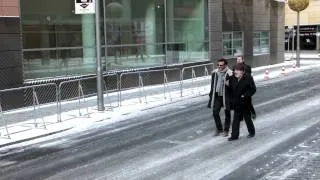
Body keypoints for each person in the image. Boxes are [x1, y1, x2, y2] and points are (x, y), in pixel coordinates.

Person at [228, 63, 256, 141]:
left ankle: (252, 132)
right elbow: (230, 88)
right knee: (236, 119)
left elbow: (253, 89)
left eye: (237, 70)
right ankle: (234, 136)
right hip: (236, 102)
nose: (235, 72)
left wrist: (245, 95)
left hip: (244, 102)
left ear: (243, 71)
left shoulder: (248, 78)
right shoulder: (232, 78)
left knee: (247, 118)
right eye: (235, 70)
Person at [208, 58, 233, 137]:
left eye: (221, 65)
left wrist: (229, 85)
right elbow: (212, 86)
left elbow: (234, 87)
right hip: (217, 96)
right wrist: (211, 95)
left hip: (227, 96)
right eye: (218, 65)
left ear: (225, 65)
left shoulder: (230, 73)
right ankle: (219, 129)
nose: (219, 66)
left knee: (227, 113)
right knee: (215, 112)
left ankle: (226, 130)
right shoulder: (215, 73)